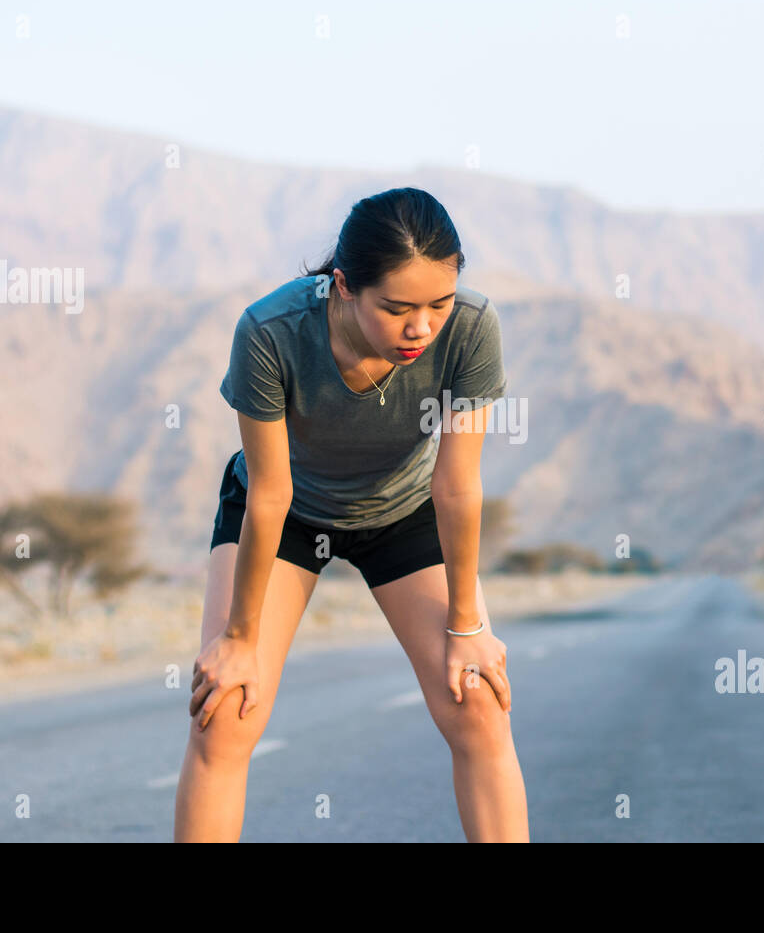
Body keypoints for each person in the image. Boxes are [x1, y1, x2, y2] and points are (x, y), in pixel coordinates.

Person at [172, 187, 529, 842]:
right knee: (225, 710)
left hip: (406, 508)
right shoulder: (270, 332)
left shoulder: (474, 327)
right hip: (287, 514)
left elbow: (456, 486)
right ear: (343, 287)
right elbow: (271, 494)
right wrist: (240, 639)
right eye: (396, 308)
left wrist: (467, 625)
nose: (421, 327)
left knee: (477, 701)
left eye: (438, 304)